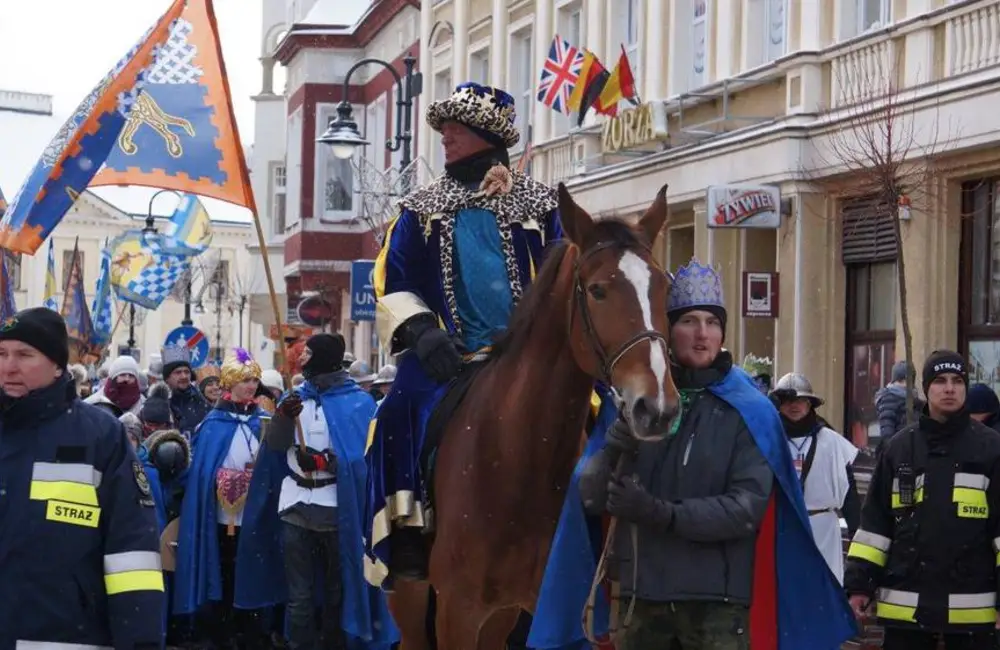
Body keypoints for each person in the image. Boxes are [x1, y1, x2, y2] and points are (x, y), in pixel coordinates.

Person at [529, 261, 856, 650]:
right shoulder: (637, 404)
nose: (703, 334)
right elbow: (591, 498)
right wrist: (615, 445)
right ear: (667, 331)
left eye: (712, 322)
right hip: (641, 603)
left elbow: (744, 509)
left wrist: (658, 512)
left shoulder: (750, 409)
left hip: (718, 608)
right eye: (688, 321)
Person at [366, 81, 566, 586]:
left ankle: (607, 520)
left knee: (603, 406)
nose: (446, 138)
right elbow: (393, 279)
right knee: (398, 410)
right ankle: (408, 528)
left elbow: (567, 277)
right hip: (447, 357)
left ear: (485, 134)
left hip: (531, 357)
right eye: (445, 128)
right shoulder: (419, 208)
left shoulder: (543, 206)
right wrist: (422, 333)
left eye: (456, 128)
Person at [0, 307, 165, 647]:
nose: (8, 366)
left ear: (58, 364)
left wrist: (139, 641)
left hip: (65, 634)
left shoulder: (100, 436)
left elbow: (132, 556)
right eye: (1, 354)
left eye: (24, 354)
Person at [241, 333, 399, 650]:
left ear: (324, 357)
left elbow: (363, 460)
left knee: (335, 591)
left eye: (309, 353)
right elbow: (274, 447)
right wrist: (284, 418)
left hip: (335, 510)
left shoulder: (358, 402)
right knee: (299, 595)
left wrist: (326, 461)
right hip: (295, 507)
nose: (301, 358)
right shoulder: (294, 395)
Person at [845, 351, 1000, 650]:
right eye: (940, 381)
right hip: (906, 613)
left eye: (957, 381)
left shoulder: (991, 449)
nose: (950, 388)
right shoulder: (899, 449)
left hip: (972, 615)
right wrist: (859, 586)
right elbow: (875, 528)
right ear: (925, 389)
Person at [173, 348, 272, 649]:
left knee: (253, 569)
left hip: (256, 514)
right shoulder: (214, 424)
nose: (251, 386)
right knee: (225, 569)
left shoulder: (264, 422)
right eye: (244, 380)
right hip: (220, 513)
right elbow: (202, 470)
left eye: (254, 380)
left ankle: (252, 627)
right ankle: (221, 628)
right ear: (230, 383)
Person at [770, 372, 861, 583]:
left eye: (800, 400)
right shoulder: (769, 438)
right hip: (782, 528)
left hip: (822, 531)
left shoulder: (831, 442)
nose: (794, 406)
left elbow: (849, 496)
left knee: (823, 588)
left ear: (809, 404)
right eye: (787, 400)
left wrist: (858, 542)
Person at [162, 345, 211, 439]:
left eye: (187, 372)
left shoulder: (201, 402)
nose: (184, 376)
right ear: (167, 378)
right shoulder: (159, 403)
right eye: (178, 372)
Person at [875, 360, 924, 443]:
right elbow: (887, 431)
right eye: (901, 380)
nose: (905, 384)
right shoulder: (888, 399)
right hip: (900, 448)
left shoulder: (915, 401)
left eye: (908, 381)